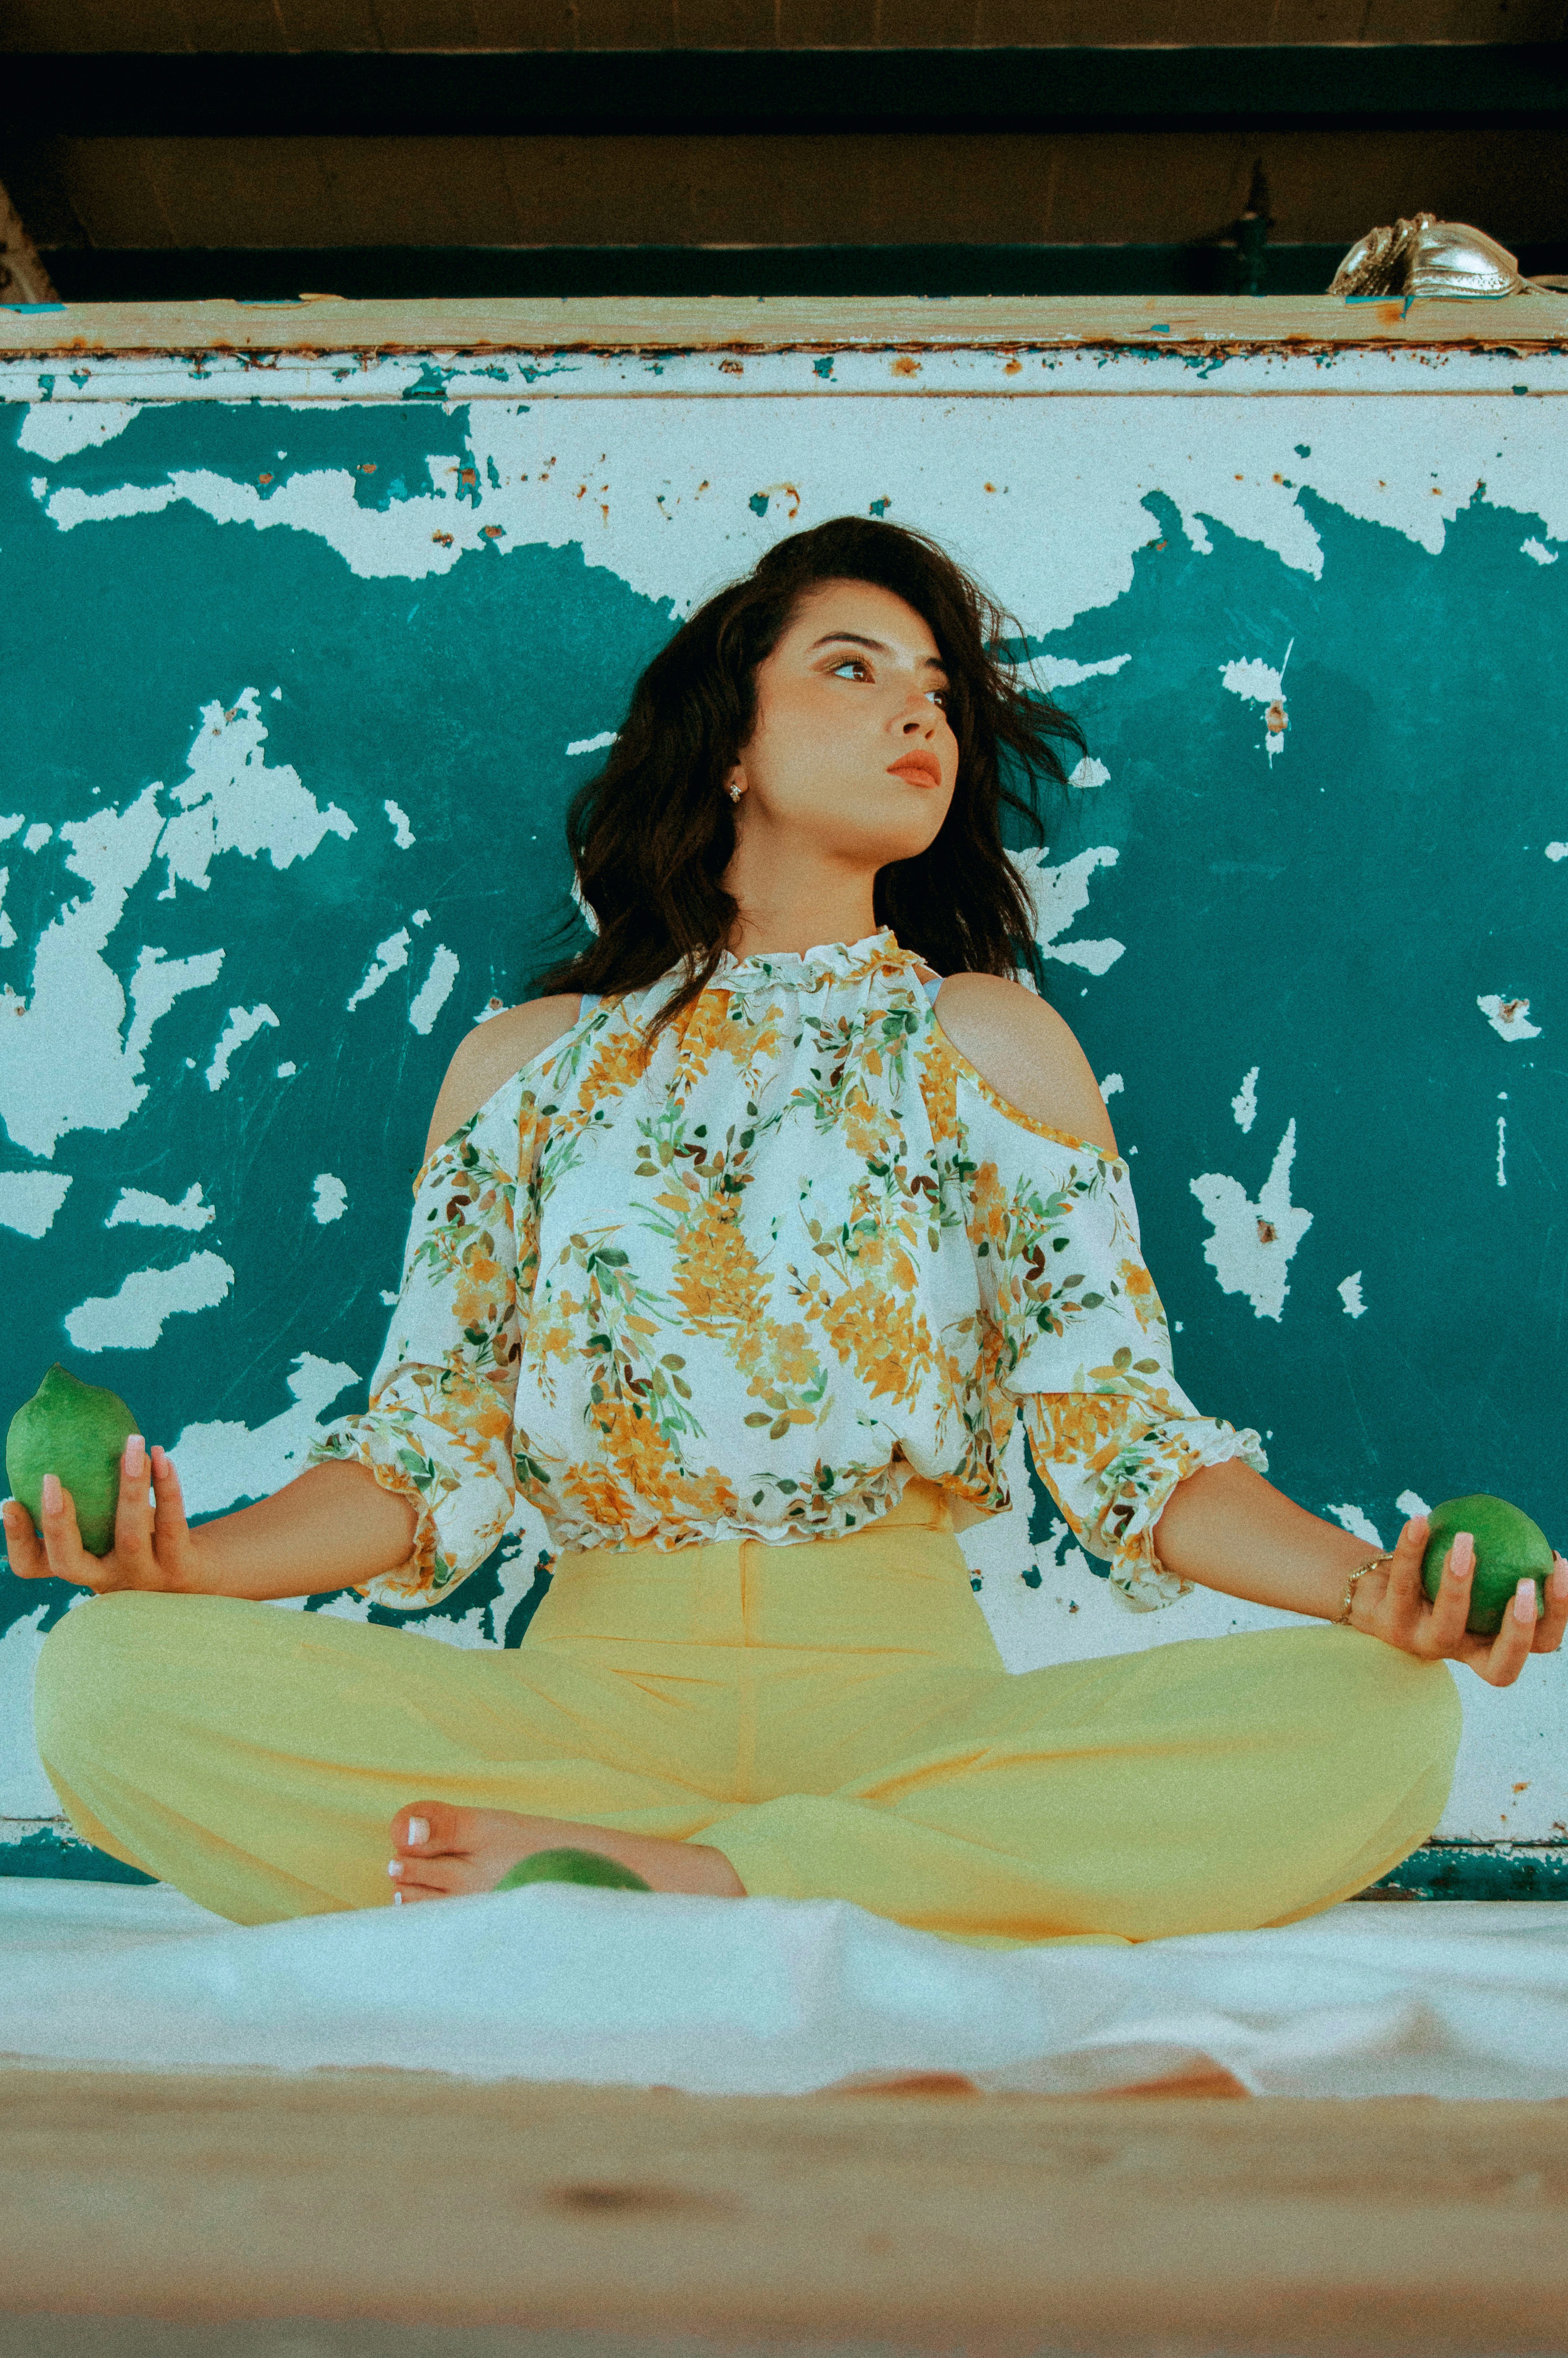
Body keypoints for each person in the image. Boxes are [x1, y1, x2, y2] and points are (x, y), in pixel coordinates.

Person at [9, 518, 1564, 1943]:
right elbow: (427, 1456)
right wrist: (184, 1567)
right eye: (852, 668)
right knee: (105, 1681)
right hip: (586, 1710)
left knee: (1389, 1724)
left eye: (942, 696)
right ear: (728, 743)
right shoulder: (525, 1066)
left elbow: (1127, 1448)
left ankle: (695, 1875)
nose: (920, 717)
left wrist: (1380, 1591)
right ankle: (804, 1871)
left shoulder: (991, 1041)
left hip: (904, 1710)